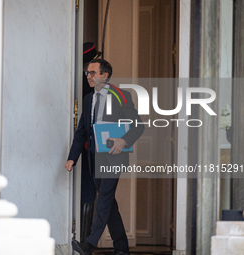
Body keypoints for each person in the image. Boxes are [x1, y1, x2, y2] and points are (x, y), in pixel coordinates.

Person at [65, 59, 144, 255]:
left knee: (104, 199)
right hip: (94, 158)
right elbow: (81, 131)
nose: (88, 77)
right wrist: (72, 158)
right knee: (108, 203)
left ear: (105, 75)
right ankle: (122, 247)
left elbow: (138, 125)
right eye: (88, 74)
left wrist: (124, 141)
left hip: (114, 157)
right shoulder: (88, 99)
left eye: (92, 73)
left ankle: (89, 244)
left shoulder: (121, 96)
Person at [80, 42, 101, 242]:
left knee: (97, 195)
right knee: (89, 192)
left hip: (96, 145)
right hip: (89, 145)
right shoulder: (90, 83)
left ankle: (86, 242)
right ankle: (86, 242)